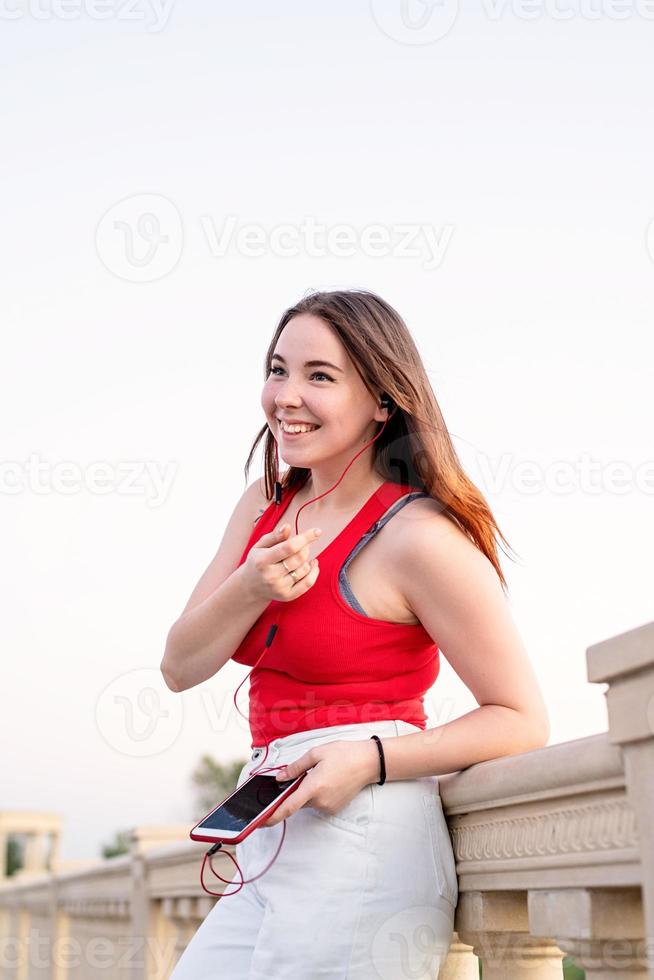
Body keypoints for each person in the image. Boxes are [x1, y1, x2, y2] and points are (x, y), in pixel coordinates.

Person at [162, 289, 550, 979]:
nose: (286, 395)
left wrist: (368, 760)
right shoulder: (264, 505)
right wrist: (251, 585)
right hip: (272, 827)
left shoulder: (418, 538)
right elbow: (180, 665)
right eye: (278, 369)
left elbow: (522, 719)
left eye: (320, 376)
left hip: (366, 832)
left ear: (382, 400)